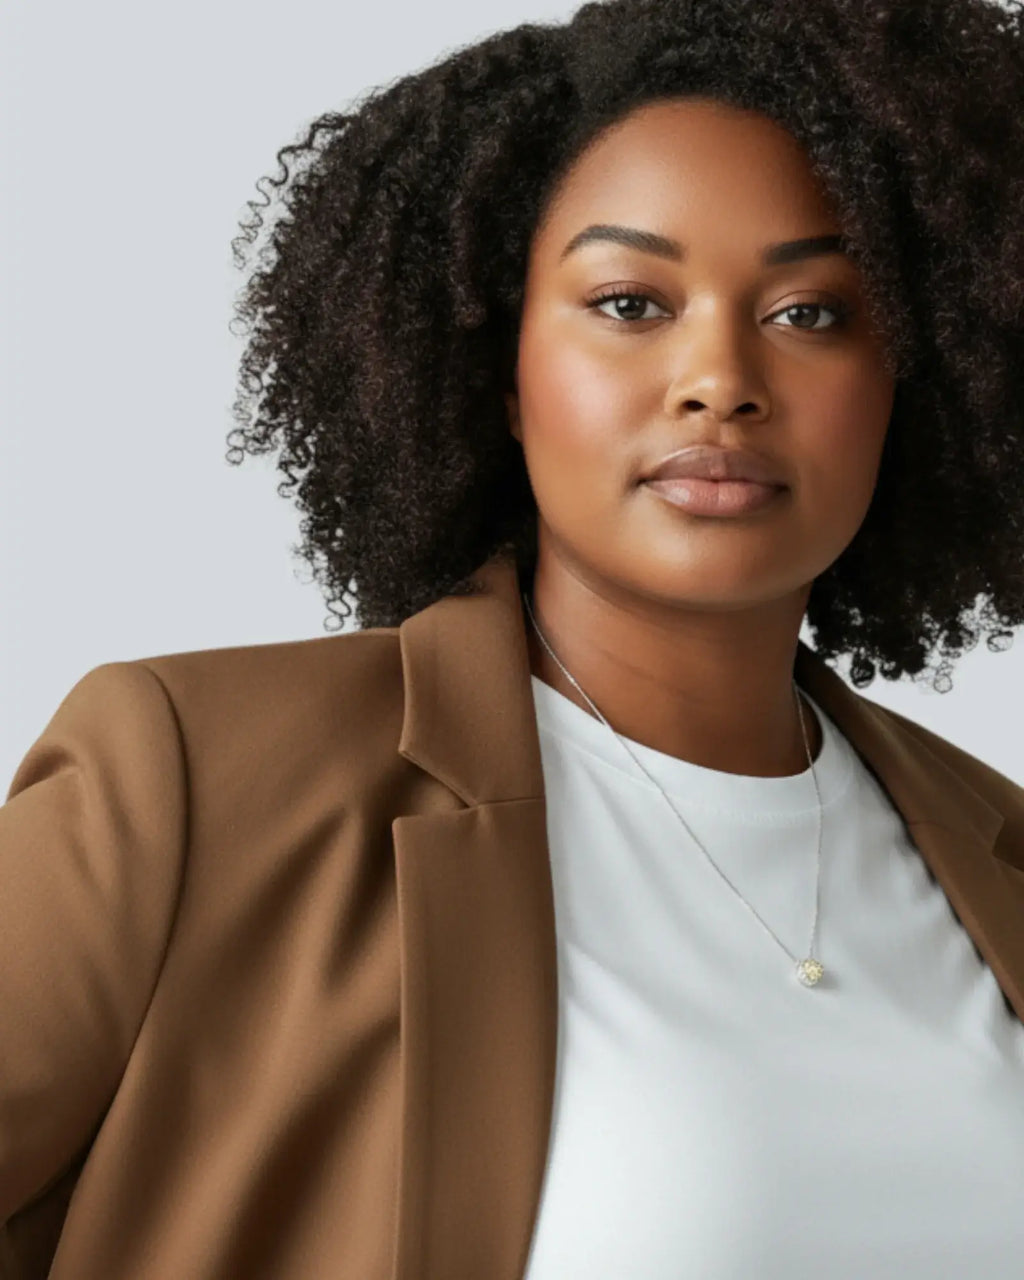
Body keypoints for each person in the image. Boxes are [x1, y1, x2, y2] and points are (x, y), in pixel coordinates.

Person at [3, 0, 1024, 1276]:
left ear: (917, 373)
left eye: (812, 311)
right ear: (502, 365)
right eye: (629, 301)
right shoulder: (192, 783)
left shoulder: (996, 852)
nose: (720, 376)